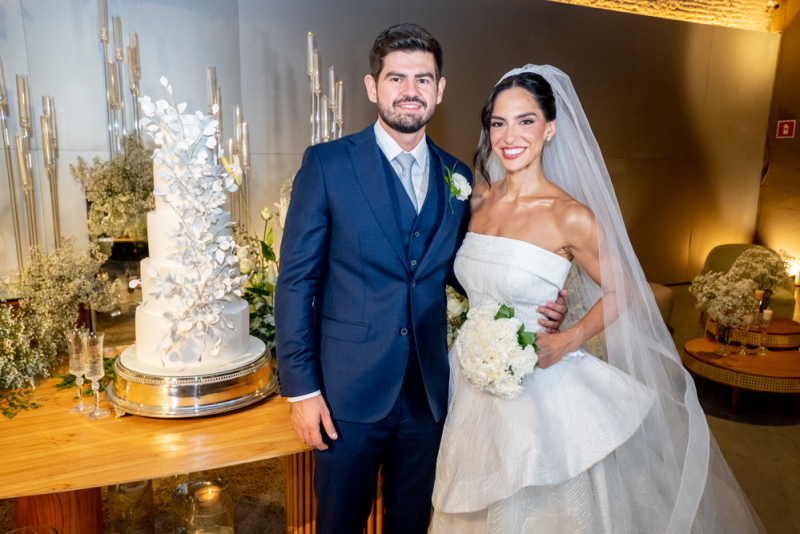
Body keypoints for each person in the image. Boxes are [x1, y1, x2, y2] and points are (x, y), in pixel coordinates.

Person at [430, 65, 765, 533]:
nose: (510, 135)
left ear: (550, 127)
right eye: (498, 122)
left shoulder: (570, 216)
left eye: (525, 120)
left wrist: (568, 339)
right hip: (470, 386)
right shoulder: (478, 199)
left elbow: (623, 287)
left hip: (538, 390)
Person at [274, 28, 569, 534]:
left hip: (431, 398)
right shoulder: (327, 165)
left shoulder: (458, 177)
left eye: (422, 79)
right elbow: (295, 283)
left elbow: (469, 270)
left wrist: (536, 299)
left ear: (439, 89)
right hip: (347, 397)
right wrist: (302, 392)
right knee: (338, 524)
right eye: (396, 78)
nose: (409, 90)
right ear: (373, 87)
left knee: (413, 524)